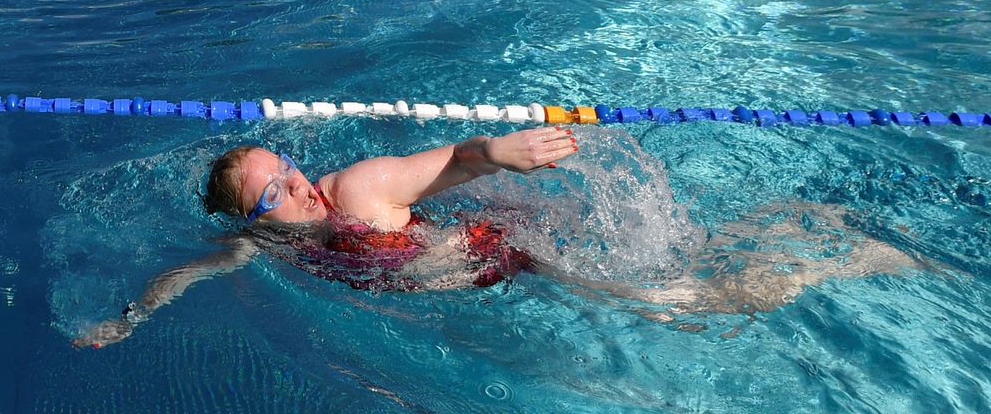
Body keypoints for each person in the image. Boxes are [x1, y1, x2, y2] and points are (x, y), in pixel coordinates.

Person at [75, 126, 917, 348]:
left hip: (513, 249)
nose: (300, 184)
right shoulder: (269, 246)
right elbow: (188, 273)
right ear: (255, 220)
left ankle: (846, 254)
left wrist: (499, 152)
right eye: (276, 191)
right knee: (681, 277)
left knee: (675, 304)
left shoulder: (357, 190)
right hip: (493, 267)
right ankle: (788, 227)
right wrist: (128, 319)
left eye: (288, 167)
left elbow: (444, 162)